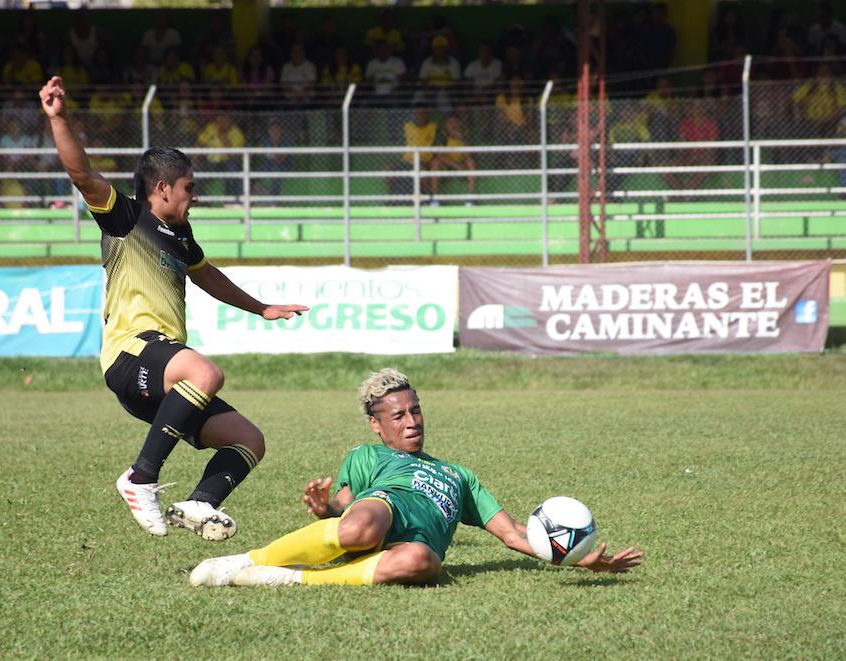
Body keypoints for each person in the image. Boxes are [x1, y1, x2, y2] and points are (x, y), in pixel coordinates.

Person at [38, 76, 308, 540]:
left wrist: (261, 308)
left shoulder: (182, 236)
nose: (195, 194)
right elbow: (82, 175)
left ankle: (200, 504)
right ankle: (139, 478)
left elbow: (206, 275)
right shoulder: (126, 217)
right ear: (161, 188)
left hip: (161, 371)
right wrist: (59, 119)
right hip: (130, 354)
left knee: (249, 440)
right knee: (205, 373)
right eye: (189, 186)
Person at [190, 368, 643, 587]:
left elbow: (513, 534)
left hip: (415, 544)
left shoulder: (459, 475)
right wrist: (325, 507)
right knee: (360, 528)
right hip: (383, 509)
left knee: (424, 565)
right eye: (399, 415)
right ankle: (246, 561)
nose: (411, 421)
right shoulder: (369, 455)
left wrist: (574, 558)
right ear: (377, 425)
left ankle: (292, 578)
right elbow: (345, 506)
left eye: (416, 410)